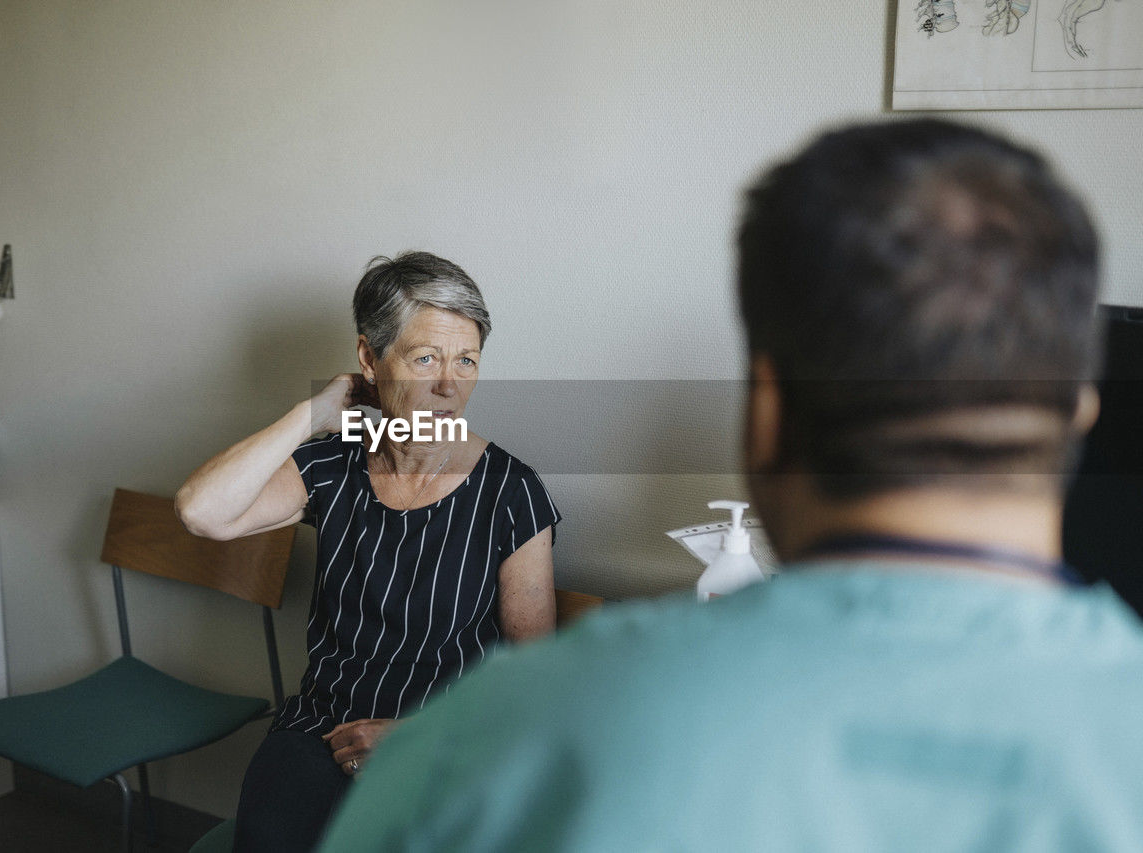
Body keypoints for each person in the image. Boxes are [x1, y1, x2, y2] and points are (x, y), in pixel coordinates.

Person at [319, 119, 1143, 851]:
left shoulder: (501, 731)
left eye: (464, 359)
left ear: (766, 413)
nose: (448, 379)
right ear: (1078, 412)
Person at [175, 251, 560, 852]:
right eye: (425, 358)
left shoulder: (511, 492)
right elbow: (202, 511)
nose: (448, 386)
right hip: (318, 733)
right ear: (369, 359)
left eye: (467, 361)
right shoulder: (332, 464)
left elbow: (537, 678)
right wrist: (314, 414)